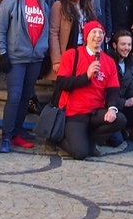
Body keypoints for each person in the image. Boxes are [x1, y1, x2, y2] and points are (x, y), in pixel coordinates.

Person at [0, 0, 50, 153]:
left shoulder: (43, 2)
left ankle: (17, 132)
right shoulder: (11, 1)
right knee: (14, 97)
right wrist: (2, 53)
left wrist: (43, 51)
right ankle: (6, 136)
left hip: (35, 58)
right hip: (16, 58)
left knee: (26, 97)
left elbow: (46, 30)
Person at [54, 21, 126, 159]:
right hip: (74, 111)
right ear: (86, 36)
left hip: (95, 110)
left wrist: (112, 108)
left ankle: (90, 138)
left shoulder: (109, 61)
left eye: (101, 33)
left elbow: (113, 90)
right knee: (80, 153)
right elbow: (61, 83)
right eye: (94, 32)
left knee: (120, 119)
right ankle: (58, 138)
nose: (97, 36)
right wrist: (86, 76)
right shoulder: (72, 55)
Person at [48, 0, 96, 77]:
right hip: (67, 52)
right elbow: (53, 33)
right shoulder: (59, 6)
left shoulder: (88, 7)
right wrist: (56, 60)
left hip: (83, 53)